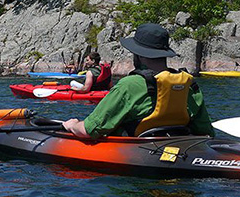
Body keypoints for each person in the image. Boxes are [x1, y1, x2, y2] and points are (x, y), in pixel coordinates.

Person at [62, 23, 215, 139]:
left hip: (139, 153)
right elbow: (206, 132)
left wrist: (72, 125)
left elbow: (89, 130)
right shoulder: (189, 84)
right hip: (179, 148)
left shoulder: (129, 85)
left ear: (139, 55)